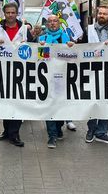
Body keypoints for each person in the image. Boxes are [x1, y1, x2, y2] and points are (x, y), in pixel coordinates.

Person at [0, 2, 34, 147]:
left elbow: (35, 47)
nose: (10, 15)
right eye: (7, 13)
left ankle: (15, 134)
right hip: (1, 70)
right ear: (4, 13)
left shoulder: (24, 30)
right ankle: (6, 131)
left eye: (13, 12)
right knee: (4, 102)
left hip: (20, 72)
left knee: (17, 103)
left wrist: (28, 43)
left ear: (17, 13)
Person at [39, 14, 74, 149]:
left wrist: (72, 47)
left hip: (63, 78)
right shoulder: (42, 38)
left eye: (55, 21)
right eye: (50, 22)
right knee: (49, 107)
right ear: (47, 24)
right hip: (47, 78)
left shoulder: (66, 37)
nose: (53, 23)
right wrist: (41, 48)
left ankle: (59, 127)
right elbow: (41, 59)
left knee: (60, 106)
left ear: (59, 23)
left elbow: (72, 58)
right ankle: (52, 136)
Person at [84, 5, 108, 145]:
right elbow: (80, 46)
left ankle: (102, 132)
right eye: (100, 13)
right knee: (92, 101)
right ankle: (91, 130)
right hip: (91, 70)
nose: (102, 15)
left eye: (105, 13)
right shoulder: (88, 29)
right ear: (96, 15)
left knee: (107, 102)